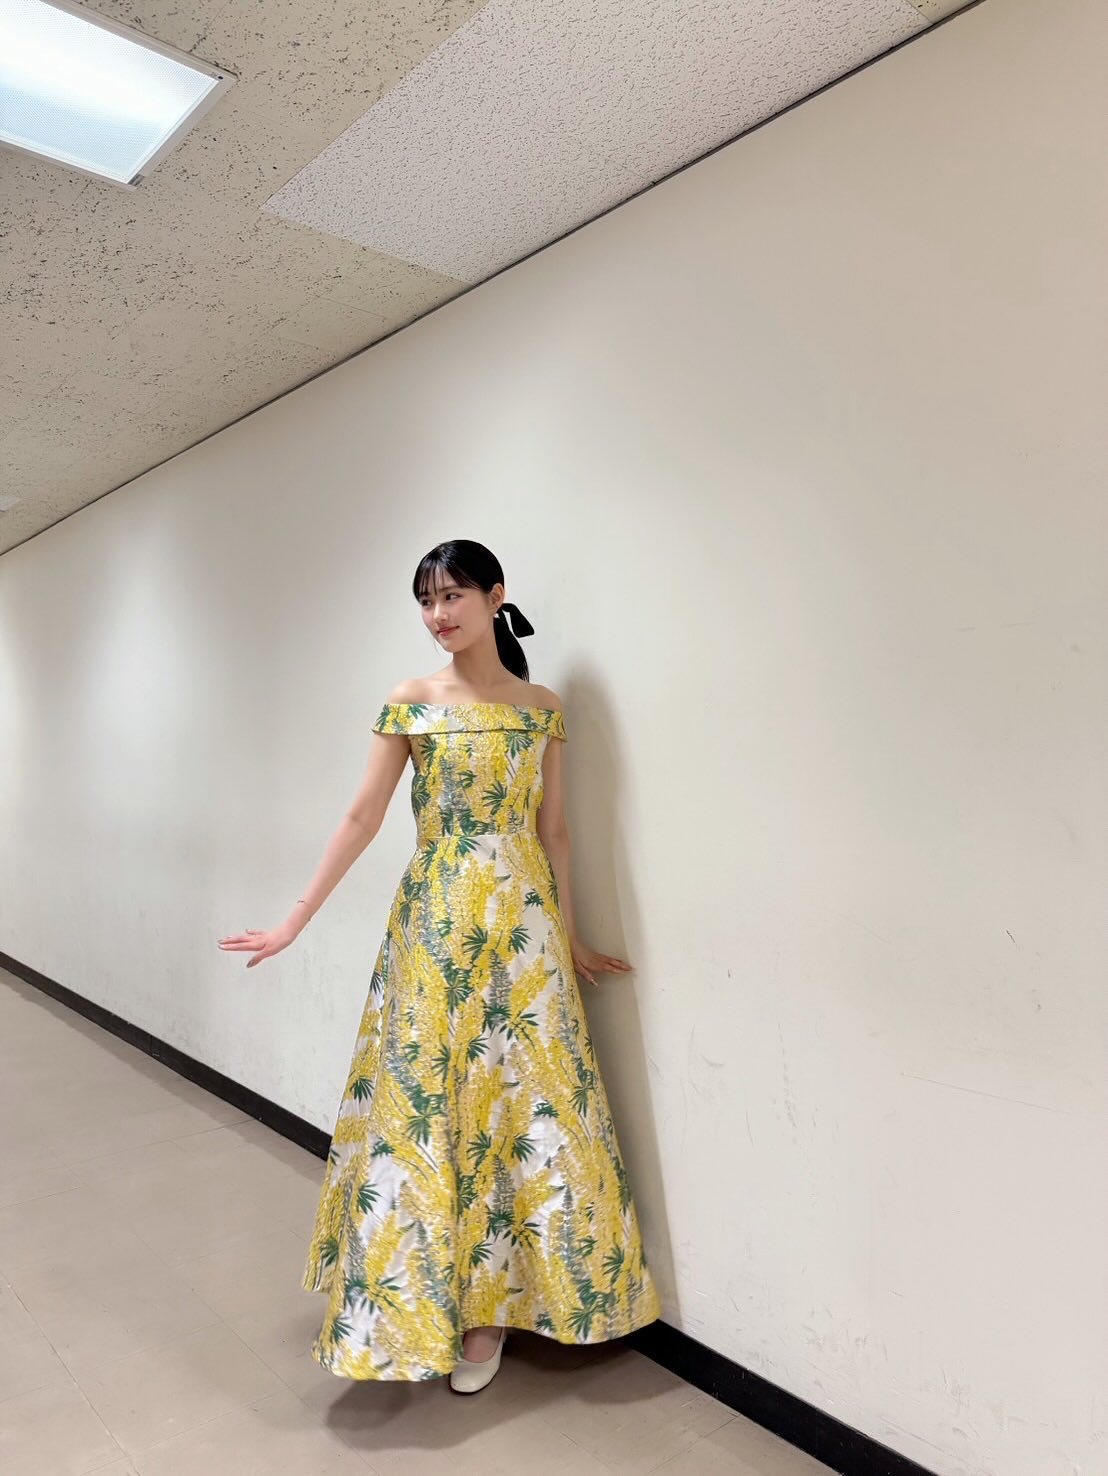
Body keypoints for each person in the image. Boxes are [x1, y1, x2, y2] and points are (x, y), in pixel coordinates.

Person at [218, 538, 661, 1392]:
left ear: (496, 597)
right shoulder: (411, 701)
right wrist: (294, 920)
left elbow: (555, 832)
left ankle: (495, 1313)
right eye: (426, 600)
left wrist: (569, 938)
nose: (438, 615)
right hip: (435, 922)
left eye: (453, 595)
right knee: (430, 1105)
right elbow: (361, 817)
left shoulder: (541, 708)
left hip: (524, 932)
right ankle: (426, 1300)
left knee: (521, 1105)